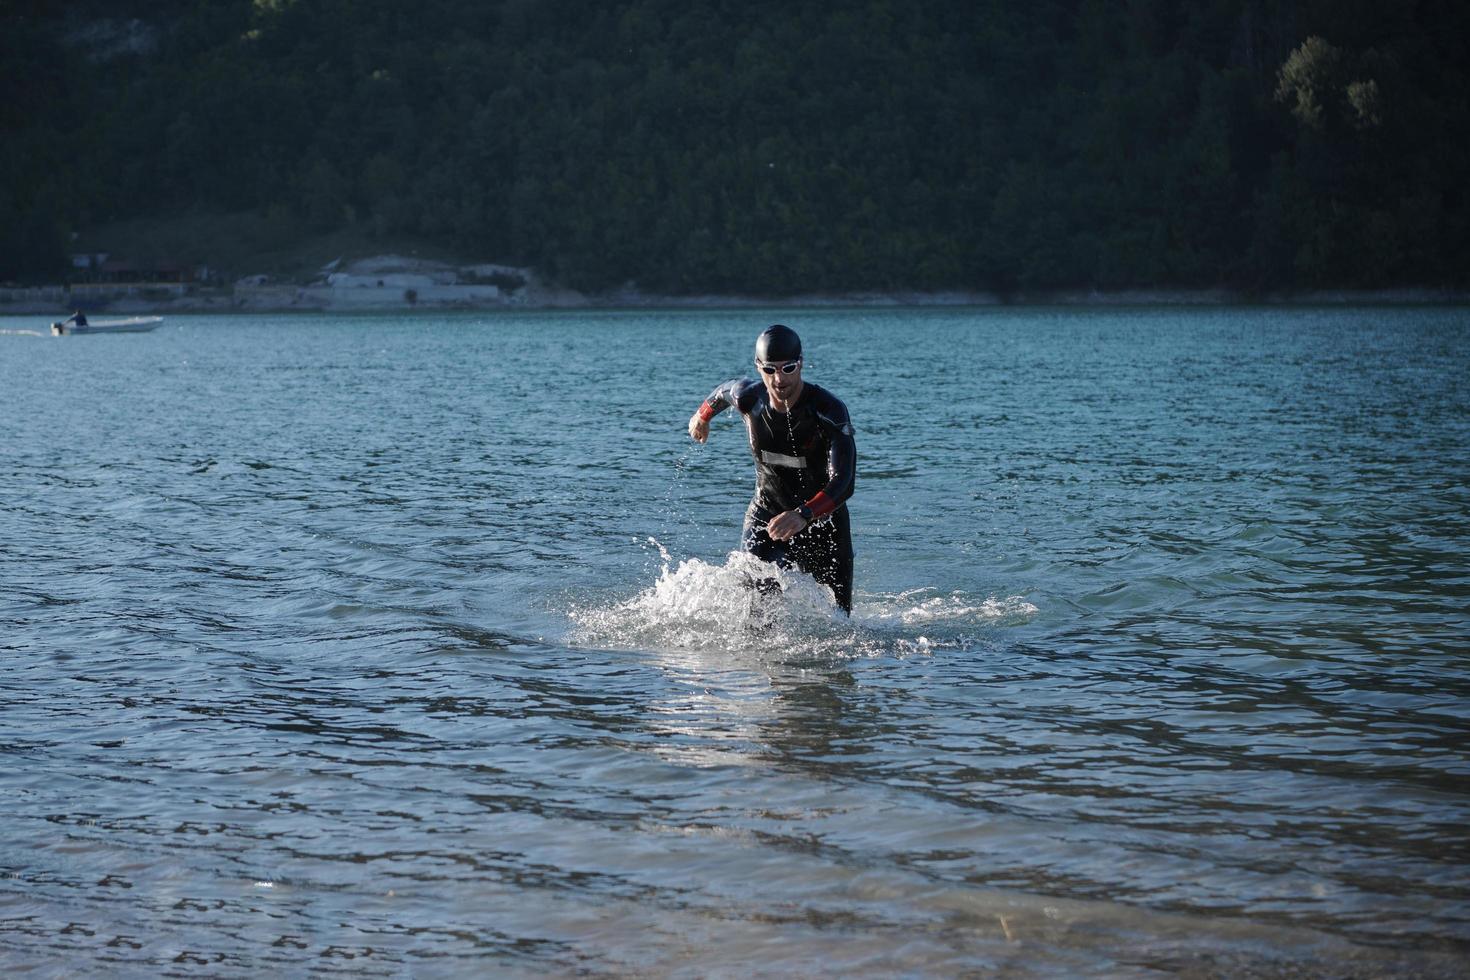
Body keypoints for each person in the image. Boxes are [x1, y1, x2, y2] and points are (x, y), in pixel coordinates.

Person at [688, 324, 857, 613]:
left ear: (801, 363)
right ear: (758, 367)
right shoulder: (748, 399)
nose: (779, 379)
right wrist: (702, 417)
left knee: (841, 621)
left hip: (823, 523)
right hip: (766, 516)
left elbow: (845, 481)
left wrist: (805, 514)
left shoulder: (828, 410)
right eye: (770, 370)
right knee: (756, 614)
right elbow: (722, 392)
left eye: (788, 368)